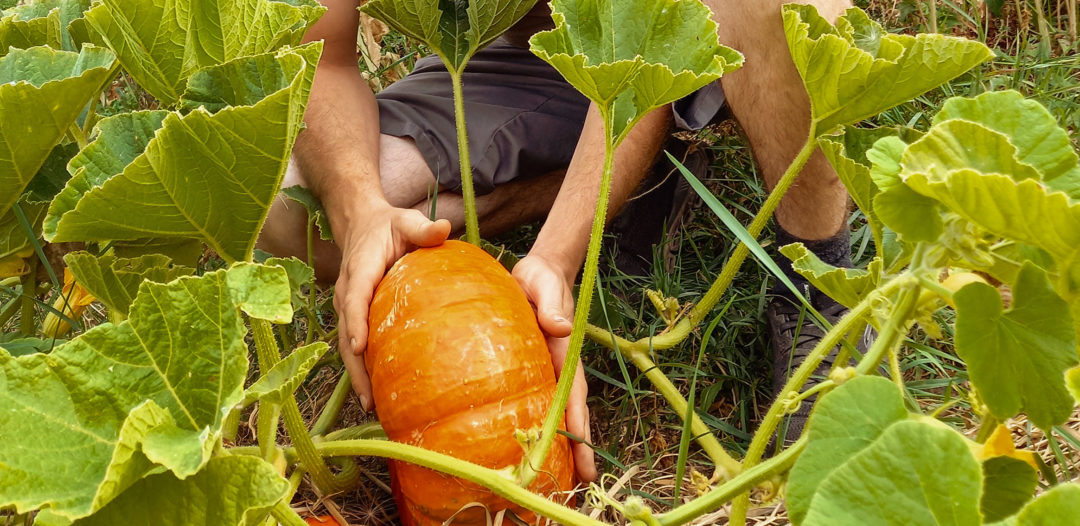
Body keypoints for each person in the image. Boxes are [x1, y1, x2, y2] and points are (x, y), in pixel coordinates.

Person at [258, 0, 855, 484]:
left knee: (783, 6)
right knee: (291, 210)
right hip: (535, 59)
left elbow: (638, 35)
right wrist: (362, 209)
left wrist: (556, 256)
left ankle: (818, 288)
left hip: (704, 20)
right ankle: (647, 173)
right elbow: (324, 59)